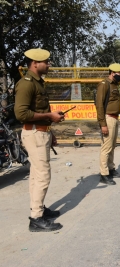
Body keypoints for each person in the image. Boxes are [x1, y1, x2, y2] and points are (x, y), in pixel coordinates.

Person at [14, 48, 65, 232]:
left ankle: (39, 210)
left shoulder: (38, 83)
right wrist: (50, 115)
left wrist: (50, 129)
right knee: (43, 175)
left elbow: (42, 113)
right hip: (34, 133)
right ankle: (36, 219)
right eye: (46, 61)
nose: (49, 64)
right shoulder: (27, 84)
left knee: (36, 175)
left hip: (41, 132)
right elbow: (21, 113)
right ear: (35, 63)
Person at [95, 63, 120, 185]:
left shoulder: (114, 85)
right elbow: (99, 105)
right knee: (106, 147)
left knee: (112, 146)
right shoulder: (104, 84)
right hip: (108, 119)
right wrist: (103, 124)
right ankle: (104, 174)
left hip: (114, 118)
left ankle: (111, 169)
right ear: (112, 73)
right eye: (119, 73)